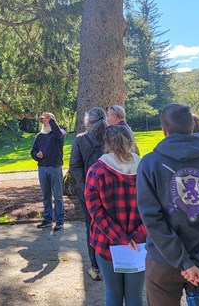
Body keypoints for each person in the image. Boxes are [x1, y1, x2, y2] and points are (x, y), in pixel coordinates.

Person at [137, 103, 199, 306]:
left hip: (164, 262)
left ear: (163, 130)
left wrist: (185, 262)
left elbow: (151, 218)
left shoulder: (149, 164)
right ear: (193, 126)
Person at [85, 125, 145, 306]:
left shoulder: (96, 171)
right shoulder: (145, 169)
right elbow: (154, 210)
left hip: (106, 243)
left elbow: (95, 211)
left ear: (106, 144)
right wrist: (135, 237)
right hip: (138, 245)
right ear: (131, 141)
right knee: (135, 297)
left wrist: (120, 238)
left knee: (113, 295)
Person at [69, 107, 107, 280]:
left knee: (91, 226)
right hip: (109, 189)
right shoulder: (112, 136)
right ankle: (111, 264)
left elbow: (75, 166)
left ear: (88, 121)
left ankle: (96, 267)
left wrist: (84, 186)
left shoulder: (80, 140)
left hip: (88, 191)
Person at [30, 112, 66, 232]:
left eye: (47, 120)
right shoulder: (40, 136)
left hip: (55, 167)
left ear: (52, 121)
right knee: (46, 195)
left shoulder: (58, 134)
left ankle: (59, 221)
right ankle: (47, 219)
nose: (44, 122)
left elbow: (59, 135)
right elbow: (33, 151)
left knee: (58, 195)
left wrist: (52, 121)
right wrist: (37, 155)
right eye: (43, 120)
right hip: (42, 168)